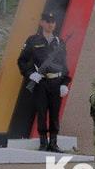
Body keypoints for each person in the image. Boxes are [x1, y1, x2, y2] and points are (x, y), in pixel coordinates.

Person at [17, 12, 71, 151]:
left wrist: (64, 83)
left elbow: (64, 65)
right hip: (41, 83)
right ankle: (43, 143)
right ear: (41, 22)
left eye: (52, 21)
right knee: (42, 113)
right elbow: (22, 61)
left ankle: (53, 143)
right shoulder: (33, 40)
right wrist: (31, 74)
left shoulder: (59, 42)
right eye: (47, 21)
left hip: (56, 82)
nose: (50, 24)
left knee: (54, 114)